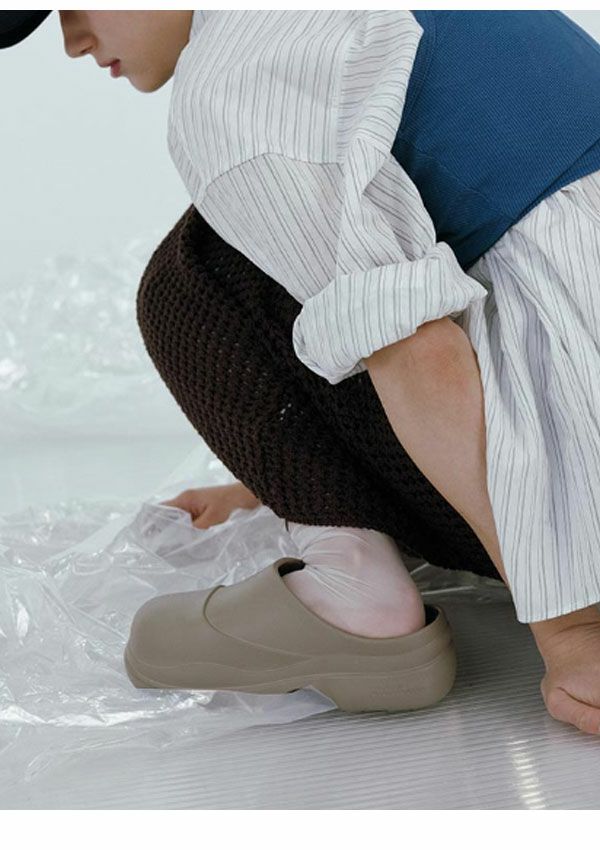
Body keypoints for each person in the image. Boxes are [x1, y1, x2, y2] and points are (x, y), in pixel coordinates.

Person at [5, 10, 600, 731]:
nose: (72, 42)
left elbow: (416, 348)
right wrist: (281, 476)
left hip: (584, 487)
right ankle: (333, 506)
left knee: (196, 272)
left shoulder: (234, 84)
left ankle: (355, 588)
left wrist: (574, 629)